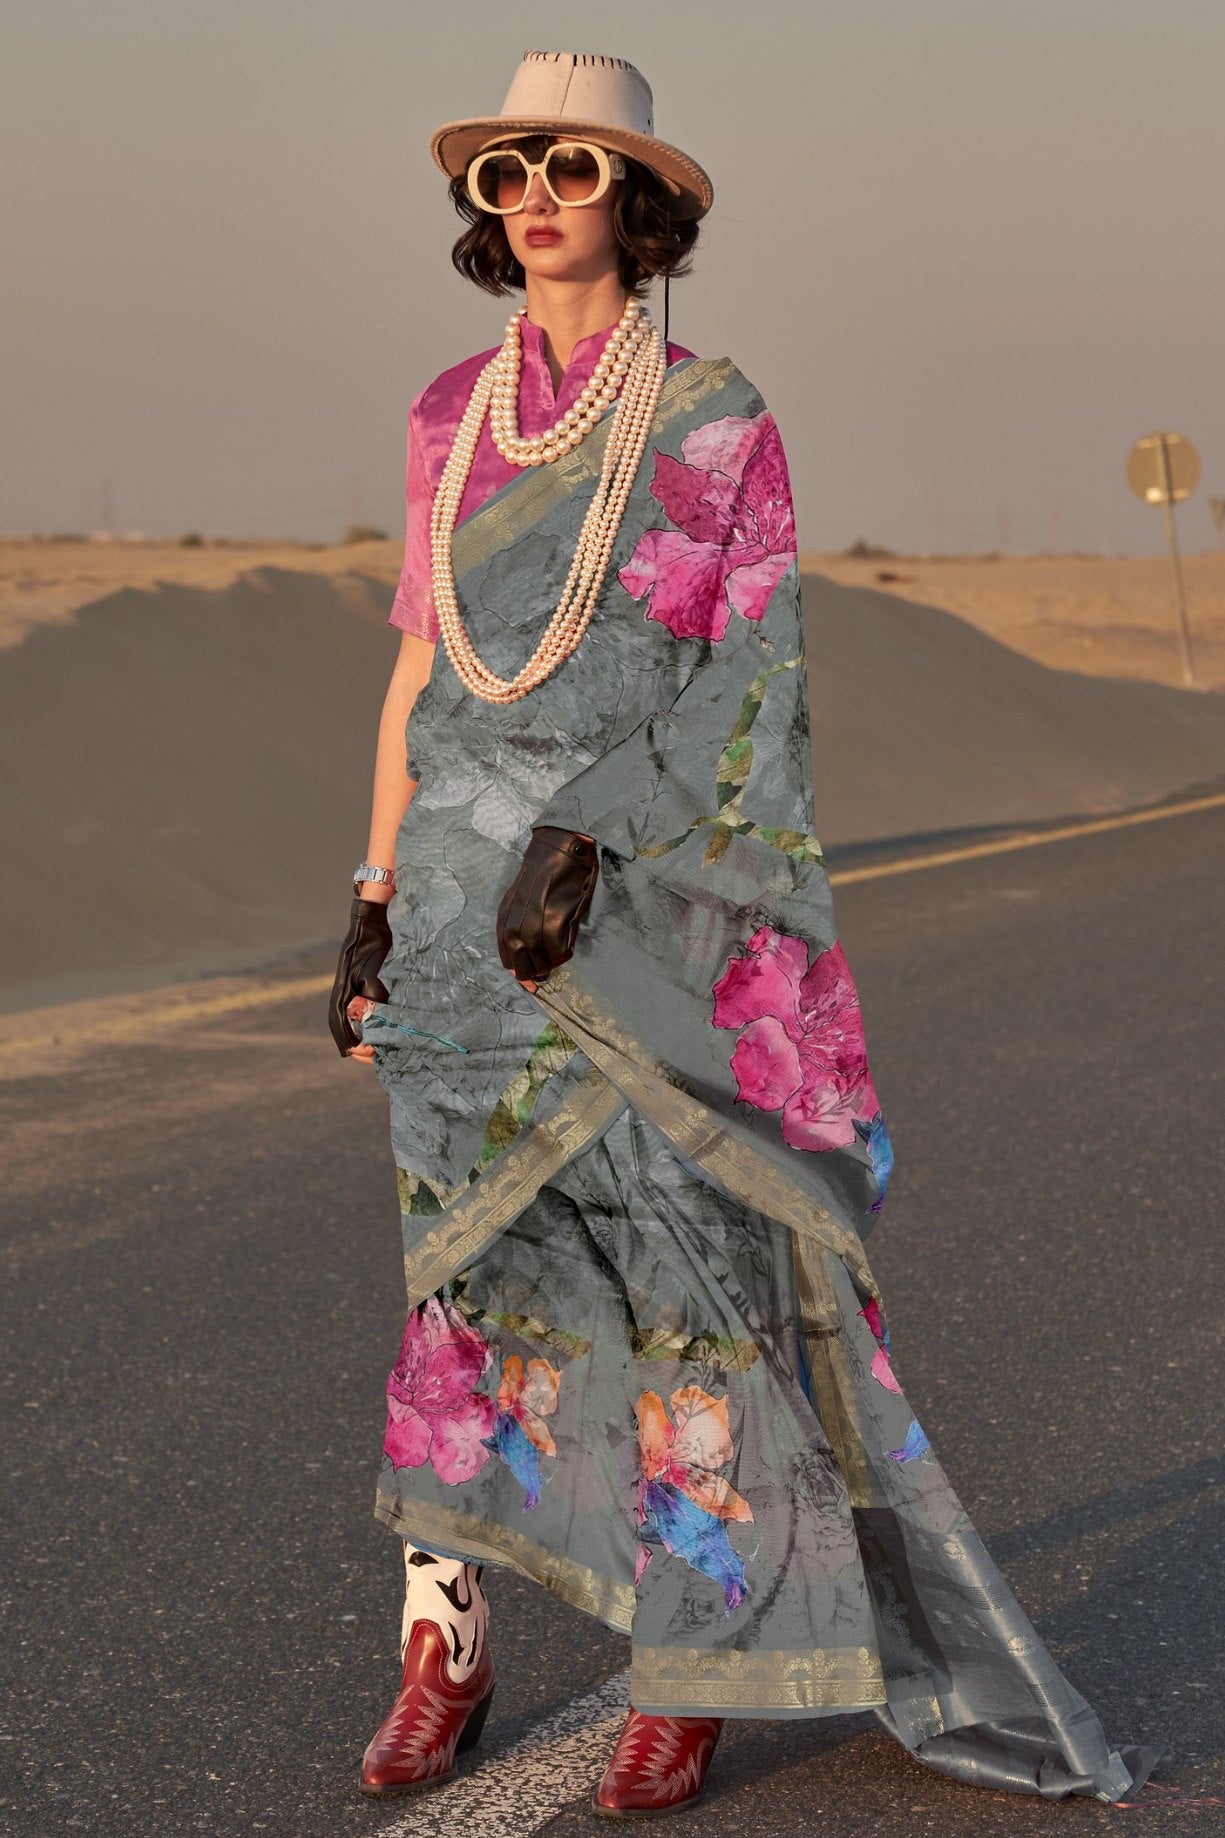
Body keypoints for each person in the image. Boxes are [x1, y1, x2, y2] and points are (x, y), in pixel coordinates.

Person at [328, 47, 1157, 1817]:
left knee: (684, 1269)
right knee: (467, 1275)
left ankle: (694, 1659)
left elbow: (750, 679)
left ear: (641, 198)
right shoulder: (440, 419)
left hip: (626, 907)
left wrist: (592, 833)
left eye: (571, 163)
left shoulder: (715, 417)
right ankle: (440, 1637)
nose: (535, 193)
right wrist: (374, 896)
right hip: (467, 915)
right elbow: (418, 664)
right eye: (504, 173)